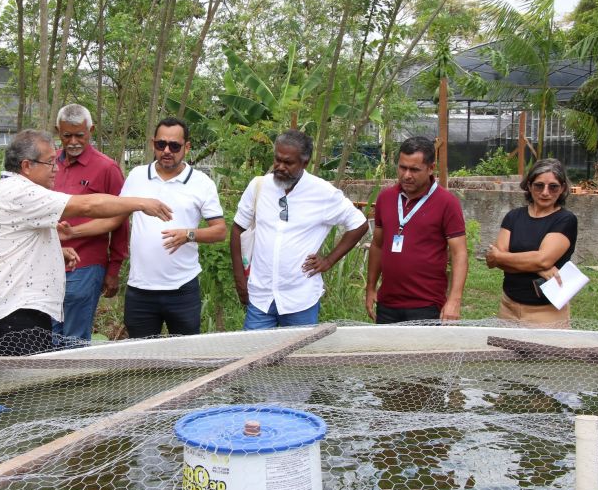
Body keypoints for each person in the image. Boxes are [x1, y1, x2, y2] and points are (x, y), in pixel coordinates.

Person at [0, 129, 172, 355]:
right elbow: (87, 206)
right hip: (13, 319)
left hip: (20, 316)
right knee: (26, 389)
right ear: (27, 166)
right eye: (50, 163)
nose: (56, 169)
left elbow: (20, 244)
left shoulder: (13, 190)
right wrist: (139, 203)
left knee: (33, 387)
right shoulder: (19, 192)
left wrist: (55, 253)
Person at [230, 129, 368, 330]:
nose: (280, 167)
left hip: (300, 298)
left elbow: (359, 223)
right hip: (260, 297)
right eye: (277, 160)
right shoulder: (259, 186)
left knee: (297, 360)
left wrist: (329, 260)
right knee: (252, 357)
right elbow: (236, 230)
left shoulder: (323, 193)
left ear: (305, 163)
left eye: (288, 163)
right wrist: (240, 280)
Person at [119, 117, 226, 338]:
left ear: (187, 147)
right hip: (140, 289)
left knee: (186, 356)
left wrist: (189, 235)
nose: (167, 151)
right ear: (153, 144)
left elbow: (220, 231)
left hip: (182, 289)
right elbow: (116, 216)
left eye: (174, 146)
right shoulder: (137, 176)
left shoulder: (201, 183)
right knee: (140, 357)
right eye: (161, 144)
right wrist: (77, 230)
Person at [365, 136, 468, 324]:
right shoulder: (385, 198)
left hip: (426, 304)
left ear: (431, 168)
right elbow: (377, 245)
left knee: (419, 354)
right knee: (385, 352)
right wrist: (371, 288)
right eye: (402, 167)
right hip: (387, 303)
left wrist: (454, 300)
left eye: (414, 169)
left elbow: (459, 253)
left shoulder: (447, 203)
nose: (406, 175)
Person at [50, 104, 128, 341]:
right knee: (47, 334)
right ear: (58, 131)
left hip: (85, 265)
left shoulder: (107, 168)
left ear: (91, 130)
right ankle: (51, 379)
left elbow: (121, 222)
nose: (73, 141)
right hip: (48, 263)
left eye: (79, 135)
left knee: (74, 337)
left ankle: (72, 379)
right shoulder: (48, 164)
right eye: (67, 135)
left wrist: (113, 268)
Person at [485, 158, 577, 327]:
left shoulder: (565, 220)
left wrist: (503, 257)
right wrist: (539, 267)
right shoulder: (513, 216)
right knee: (504, 352)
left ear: (563, 188)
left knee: (544, 353)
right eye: (539, 185)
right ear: (529, 185)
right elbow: (492, 261)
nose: (545, 192)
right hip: (508, 306)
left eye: (553, 186)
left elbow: (542, 259)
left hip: (547, 311)